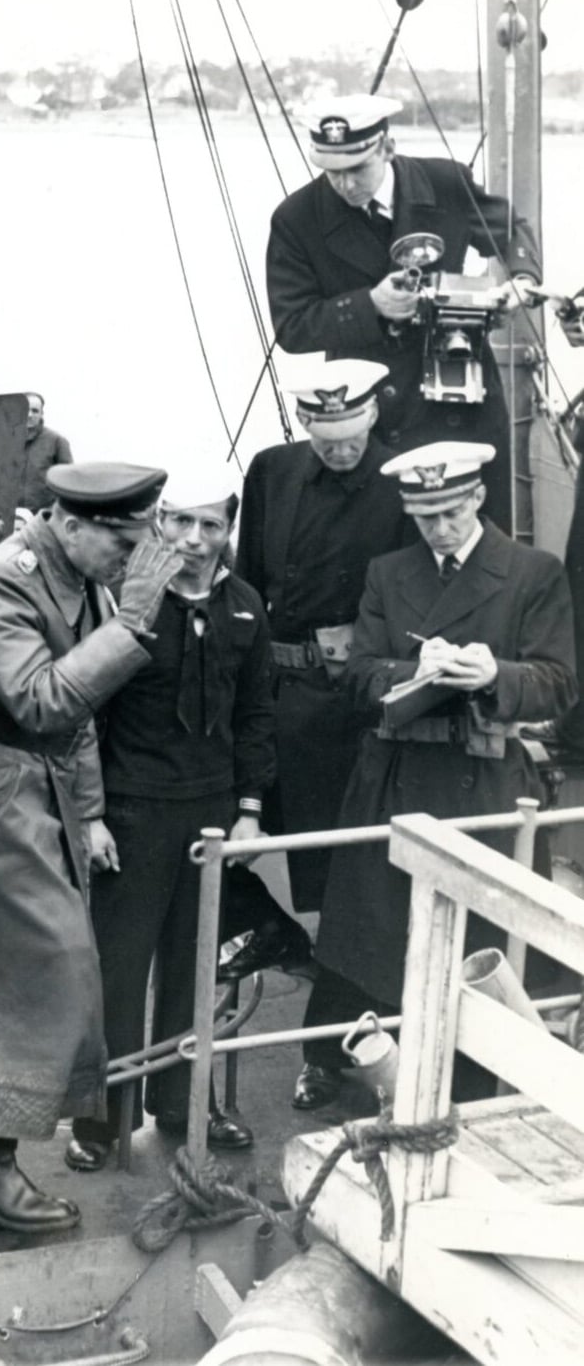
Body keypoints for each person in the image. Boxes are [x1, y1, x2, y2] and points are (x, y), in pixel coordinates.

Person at [0, 461, 181, 1234]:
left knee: (27, 972)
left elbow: (75, 717)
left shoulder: (80, 576)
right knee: (24, 969)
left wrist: (88, 814)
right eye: (122, 543)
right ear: (71, 523)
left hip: (24, 785)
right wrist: (130, 627)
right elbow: (42, 698)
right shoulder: (6, 581)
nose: (131, 561)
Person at [303, 439, 577, 1107]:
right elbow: (361, 673)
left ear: (479, 497)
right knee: (371, 933)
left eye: (452, 512)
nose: (441, 529)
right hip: (393, 777)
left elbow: (559, 684)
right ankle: (352, 1061)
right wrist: (413, 673)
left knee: (484, 936)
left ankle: (476, 1076)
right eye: (426, 517)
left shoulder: (531, 573)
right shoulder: (387, 574)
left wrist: (494, 676)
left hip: (483, 776)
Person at [66, 464, 311, 1172]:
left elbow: (255, 715)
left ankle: (182, 1103)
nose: (194, 539)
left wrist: (249, 812)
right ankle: (101, 1119)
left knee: (194, 967)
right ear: (159, 522)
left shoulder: (245, 607)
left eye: (210, 525)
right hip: (133, 811)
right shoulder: (121, 600)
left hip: (208, 814)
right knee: (117, 970)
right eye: (179, 522)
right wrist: (92, 817)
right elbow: (85, 716)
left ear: (227, 529)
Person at [266, 92, 541, 530]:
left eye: (357, 169)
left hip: (460, 395)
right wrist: (369, 305)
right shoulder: (296, 218)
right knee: (383, 544)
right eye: (331, 172)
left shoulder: (445, 183)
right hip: (367, 413)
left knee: (478, 535)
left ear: (388, 148)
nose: (345, 186)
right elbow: (292, 327)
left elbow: (512, 233)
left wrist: (521, 281)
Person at [235, 359, 409, 957]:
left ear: (373, 413)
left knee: (341, 877)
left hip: (347, 709)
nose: (341, 451)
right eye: (327, 440)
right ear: (307, 422)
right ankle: (275, 936)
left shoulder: (402, 479)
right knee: (216, 829)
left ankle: (341, 1010)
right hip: (274, 695)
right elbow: (248, 584)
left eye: (352, 437)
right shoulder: (272, 471)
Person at [16, 392, 73, 512]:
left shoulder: (57, 441)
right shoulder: (6, 441)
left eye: (35, 411)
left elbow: (69, 484)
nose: (30, 415)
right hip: (10, 517)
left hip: (43, 518)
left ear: (42, 414)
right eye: (26, 409)